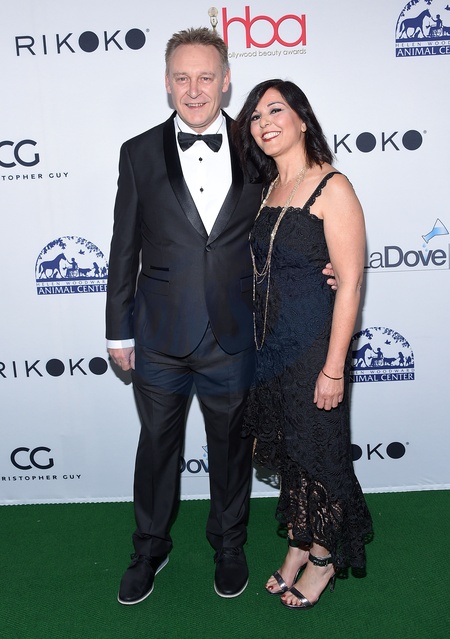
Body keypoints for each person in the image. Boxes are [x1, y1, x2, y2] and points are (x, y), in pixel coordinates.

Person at [106, 29, 336, 606]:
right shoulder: (137, 152)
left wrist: (327, 259)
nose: (194, 89)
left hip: (236, 333)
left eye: (205, 77)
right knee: (156, 449)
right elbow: (122, 247)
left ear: (226, 80)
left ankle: (230, 547)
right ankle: (149, 549)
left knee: (232, 451)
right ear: (166, 83)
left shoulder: (258, 146)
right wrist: (117, 329)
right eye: (182, 77)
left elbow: (299, 201)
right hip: (158, 335)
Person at [233, 79, 373, 610]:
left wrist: (334, 368)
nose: (264, 123)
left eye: (276, 110)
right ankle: (298, 541)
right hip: (271, 348)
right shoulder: (268, 188)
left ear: (302, 119)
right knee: (292, 452)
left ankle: (324, 557)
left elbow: (350, 284)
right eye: (255, 116)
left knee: (320, 452)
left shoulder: (332, 186)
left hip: (315, 347)